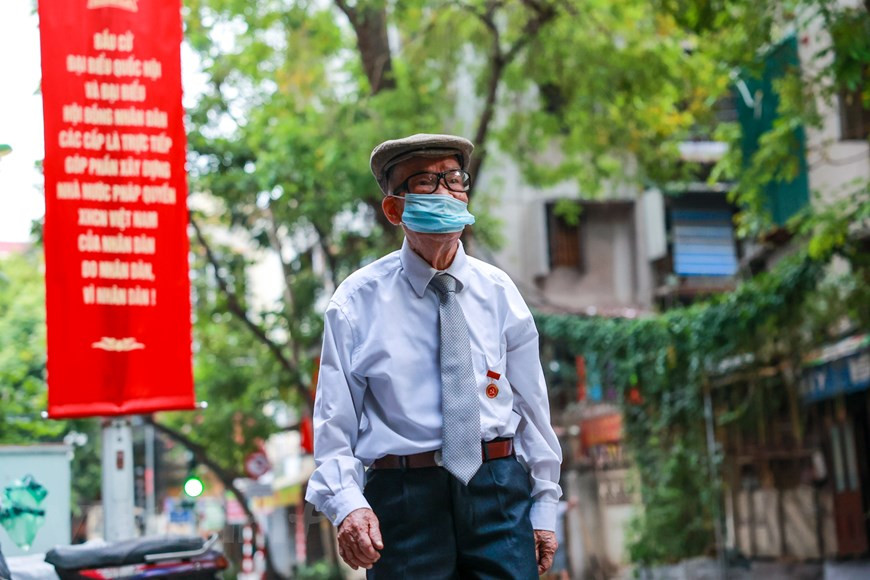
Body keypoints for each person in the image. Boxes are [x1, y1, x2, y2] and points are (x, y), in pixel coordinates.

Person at [305, 133, 563, 578]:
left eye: (454, 179)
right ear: (395, 209)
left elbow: (532, 410)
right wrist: (348, 505)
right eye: (425, 182)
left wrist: (544, 505)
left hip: (498, 489)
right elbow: (334, 425)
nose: (445, 192)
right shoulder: (355, 303)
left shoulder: (499, 292)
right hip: (404, 499)